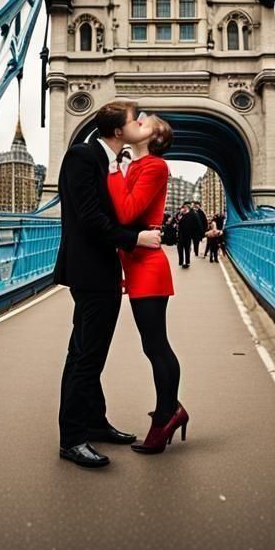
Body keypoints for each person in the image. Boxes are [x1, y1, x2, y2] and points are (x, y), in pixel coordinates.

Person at [53, 99, 162, 470]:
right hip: (90, 270)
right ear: (119, 131)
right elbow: (89, 217)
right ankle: (72, 438)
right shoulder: (82, 157)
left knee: (88, 351)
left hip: (102, 269)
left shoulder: (113, 162)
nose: (142, 123)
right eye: (137, 120)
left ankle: (94, 422)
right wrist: (134, 240)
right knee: (86, 356)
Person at [107, 113, 189, 453]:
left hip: (148, 268)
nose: (138, 119)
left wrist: (112, 170)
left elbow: (125, 214)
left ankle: (166, 417)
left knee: (156, 346)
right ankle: (172, 408)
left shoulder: (154, 167)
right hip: (136, 263)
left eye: (145, 122)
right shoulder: (134, 166)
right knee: (153, 346)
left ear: (154, 138)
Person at [176, 203, 197, 269]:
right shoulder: (180, 215)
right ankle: (181, 262)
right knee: (180, 249)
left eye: (184, 208)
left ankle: (187, 262)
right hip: (180, 236)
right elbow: (177, 222)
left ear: (186, 208)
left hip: (187, 235)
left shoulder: (191, 215)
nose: (182, 209)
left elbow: (195, 224)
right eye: (182, 208)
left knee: (187, 249)